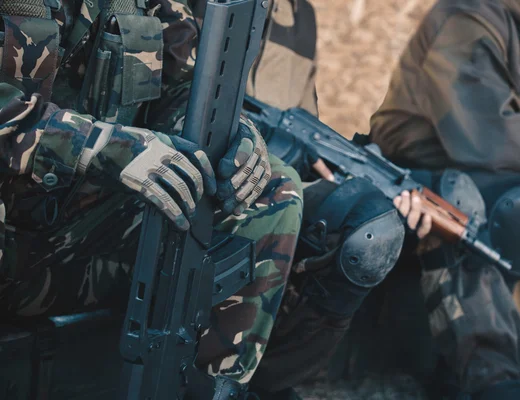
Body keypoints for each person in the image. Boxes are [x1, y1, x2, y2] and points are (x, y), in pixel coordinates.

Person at [0, 1, 304, 399]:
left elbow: (184, 89)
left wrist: (235, 137)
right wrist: (109, 148)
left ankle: (209, 389)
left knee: (273, 188)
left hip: (70, 245)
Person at [369, 0, 520, 398]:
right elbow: (492, 136)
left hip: (506, 173)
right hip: (422, 178)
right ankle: (492, 380)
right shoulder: (466, 14)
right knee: (489, 205)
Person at [227, 1, 433, 398]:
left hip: (277, 175)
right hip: (209, 169)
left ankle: (270, 381)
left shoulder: (300, 14)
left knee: (369, 223)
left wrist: (371, 184)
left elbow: (307, 133)